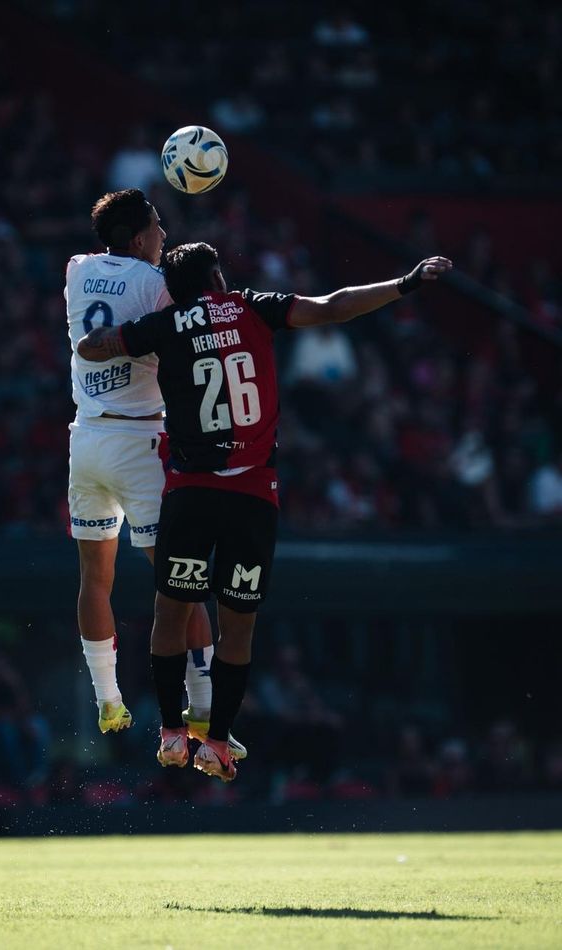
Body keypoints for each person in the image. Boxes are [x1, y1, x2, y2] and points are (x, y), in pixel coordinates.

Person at [78, 242, 452, 781]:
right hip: (254, 497)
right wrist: (405, 283)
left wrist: (97, 334)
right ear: (214, 276)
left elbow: (96, 347)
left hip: (192, 493)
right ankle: (219, 741)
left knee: (172, 611)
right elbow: (334, 305)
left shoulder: (162, 325)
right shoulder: (253, 306)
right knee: (239, 625)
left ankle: (170, 730)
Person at [65, 190, 246, 761]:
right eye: (159, 227)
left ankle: (107, 698)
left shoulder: (78, 270)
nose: (164, 235)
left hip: (86, 437)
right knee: (181, 583)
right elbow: (196, 310)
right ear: (141, 237)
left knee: (96, 577)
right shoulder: (154, 283)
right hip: (139, 442)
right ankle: (203, 708)